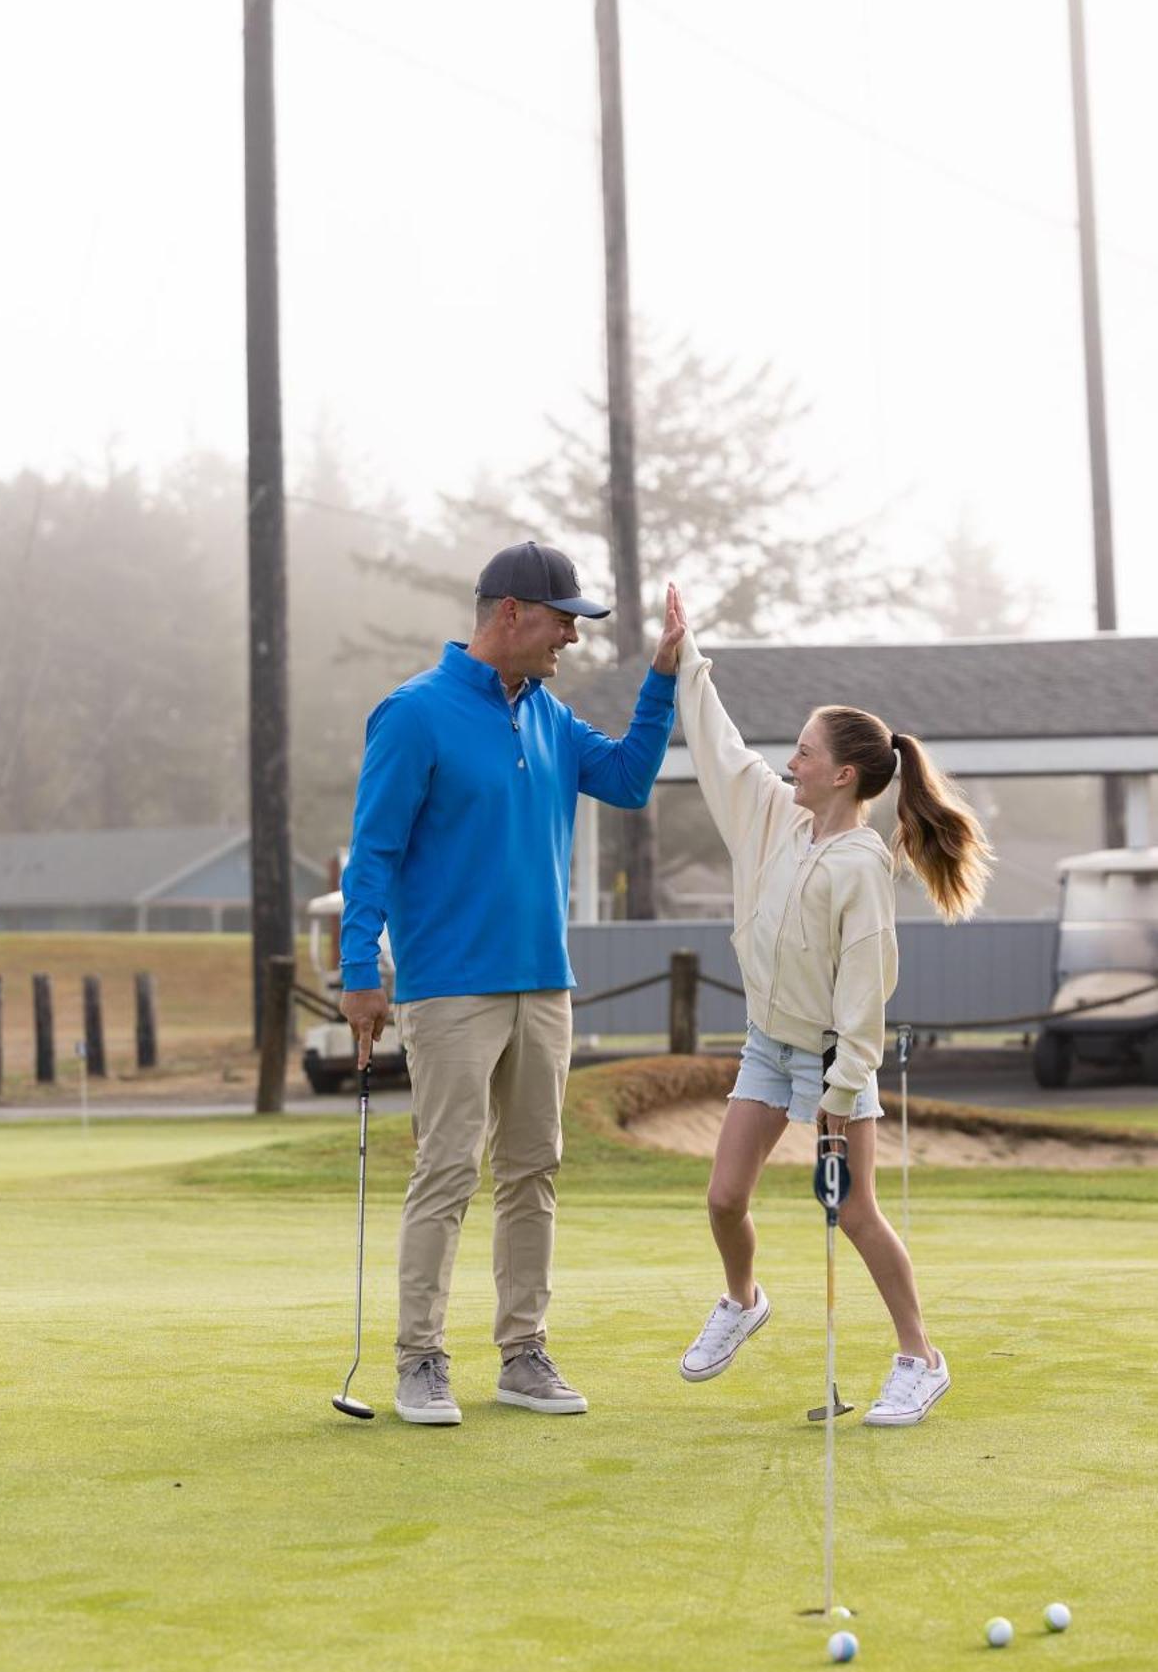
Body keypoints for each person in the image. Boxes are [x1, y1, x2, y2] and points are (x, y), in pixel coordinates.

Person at [340, 544, 686, 1426]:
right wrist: (358, 971)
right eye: (561, 618)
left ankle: (521, 1353)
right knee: (448, 1169)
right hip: (449, 988)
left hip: (543, 982)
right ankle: (418, 1360)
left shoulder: (551, 717)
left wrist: (660, 683)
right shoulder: (412, 714)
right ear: (508, 615)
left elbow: (628, 781)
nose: (570, 635)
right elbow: (373, 853)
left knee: (533, 1170)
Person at [672, 591, 993, 1426]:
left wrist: (840, 1090)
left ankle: (919, 1358)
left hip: (828, 1064)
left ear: (843, 774)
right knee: (721, 1199)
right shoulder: (775, 820)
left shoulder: (860, 867)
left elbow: (863, 998)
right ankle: (742, 1300)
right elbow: (722, 750)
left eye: (805, 752)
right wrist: (689, 656)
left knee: (853, 1212)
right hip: (764, 1046)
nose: (791, 762)